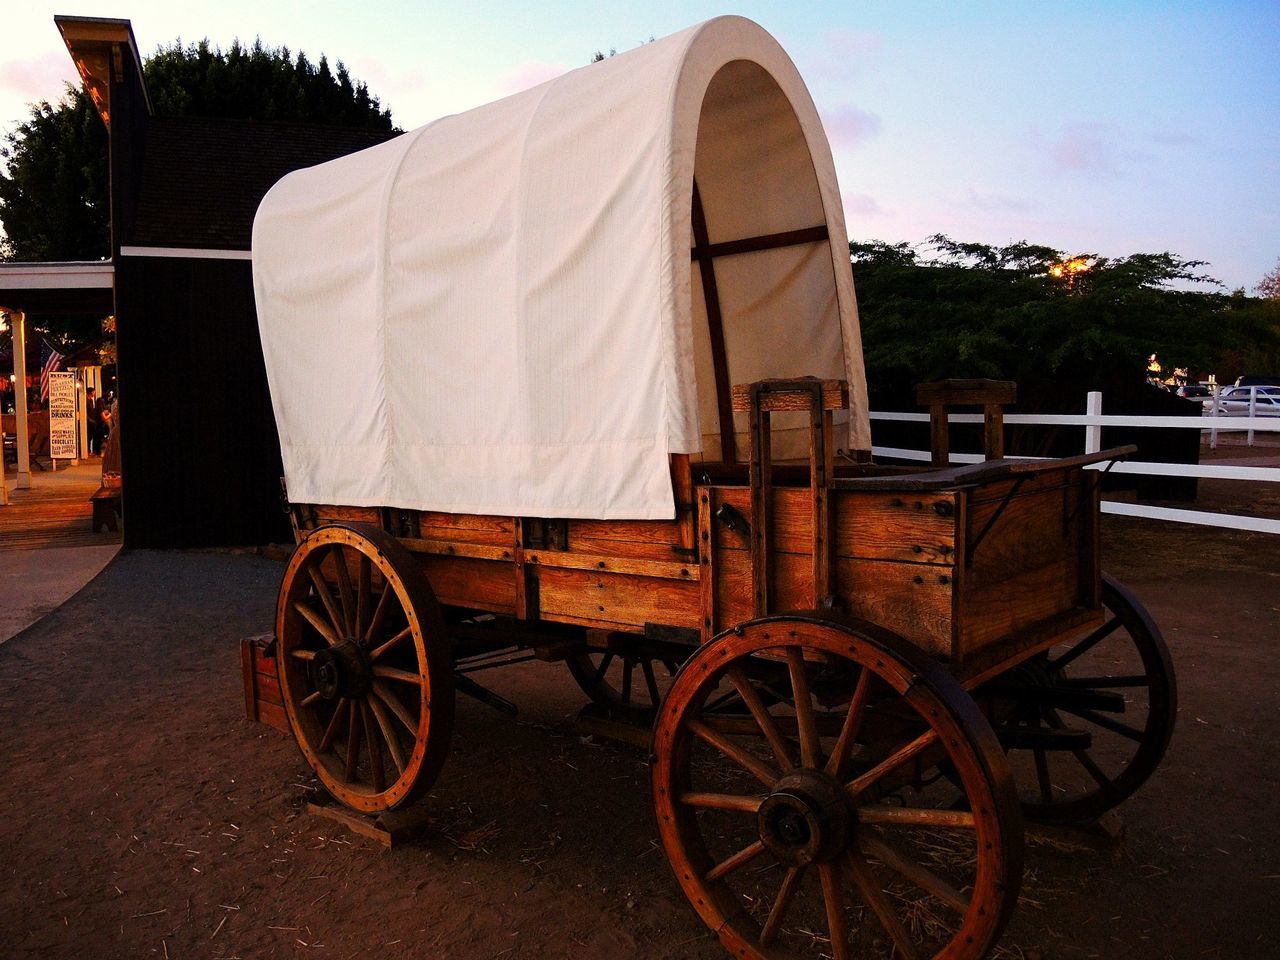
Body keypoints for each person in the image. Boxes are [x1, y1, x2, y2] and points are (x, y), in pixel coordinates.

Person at [86, 386, 104, 456]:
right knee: (89, 436)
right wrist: (89, 419)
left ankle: (93, 450)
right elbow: (86, 412)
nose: (95, 393)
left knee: (94, 436)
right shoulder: (86, 400)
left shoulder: (91, 400)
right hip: (89, 421)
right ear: (91, 392)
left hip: (94, 421)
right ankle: (88, 450)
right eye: (94, 391)